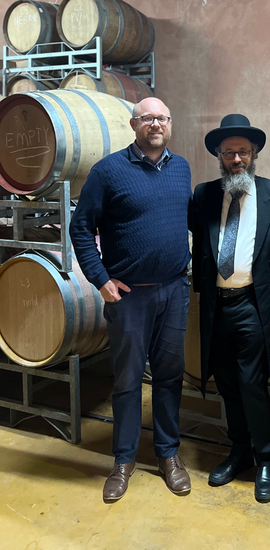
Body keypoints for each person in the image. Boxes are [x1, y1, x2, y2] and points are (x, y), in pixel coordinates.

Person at [70, 98, 193, 503]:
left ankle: (168, 455)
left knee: (169, 376)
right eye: (147, 118)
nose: (155, 124)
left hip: (174, 291)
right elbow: (81, 228)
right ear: (133, 124)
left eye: (162, 118)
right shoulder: (108, 171)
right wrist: (101, 280)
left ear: (170, 125)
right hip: (129, 298)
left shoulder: (181, 168)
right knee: (125, 381)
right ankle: (123, 460)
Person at [192, 114, 270, 503]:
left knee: (252, 385)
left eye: (243, 151)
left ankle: (265, 460)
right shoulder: (204, 195)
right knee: (226, 384)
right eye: (229, 153)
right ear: (219, 157)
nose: (236, 158)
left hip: (253, 308)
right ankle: (238, 451)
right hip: (215, 308)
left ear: (254, 153)